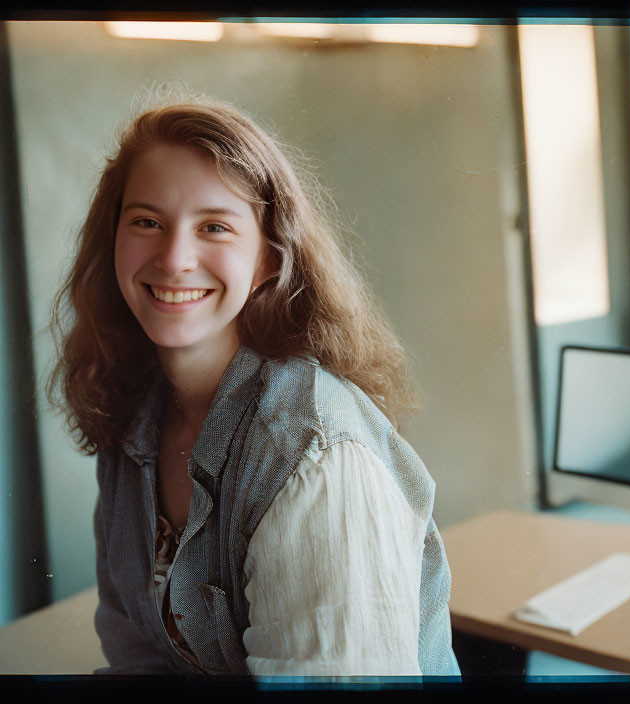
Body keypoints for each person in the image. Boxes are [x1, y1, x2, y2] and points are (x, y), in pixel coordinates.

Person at [48, 90, 460, 677]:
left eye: (214, 226)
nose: (174, 258)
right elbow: (139, 657)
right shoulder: (132, 417)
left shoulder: (316, 457)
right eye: (147, 221)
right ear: (112, 238)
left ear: (270, 259)